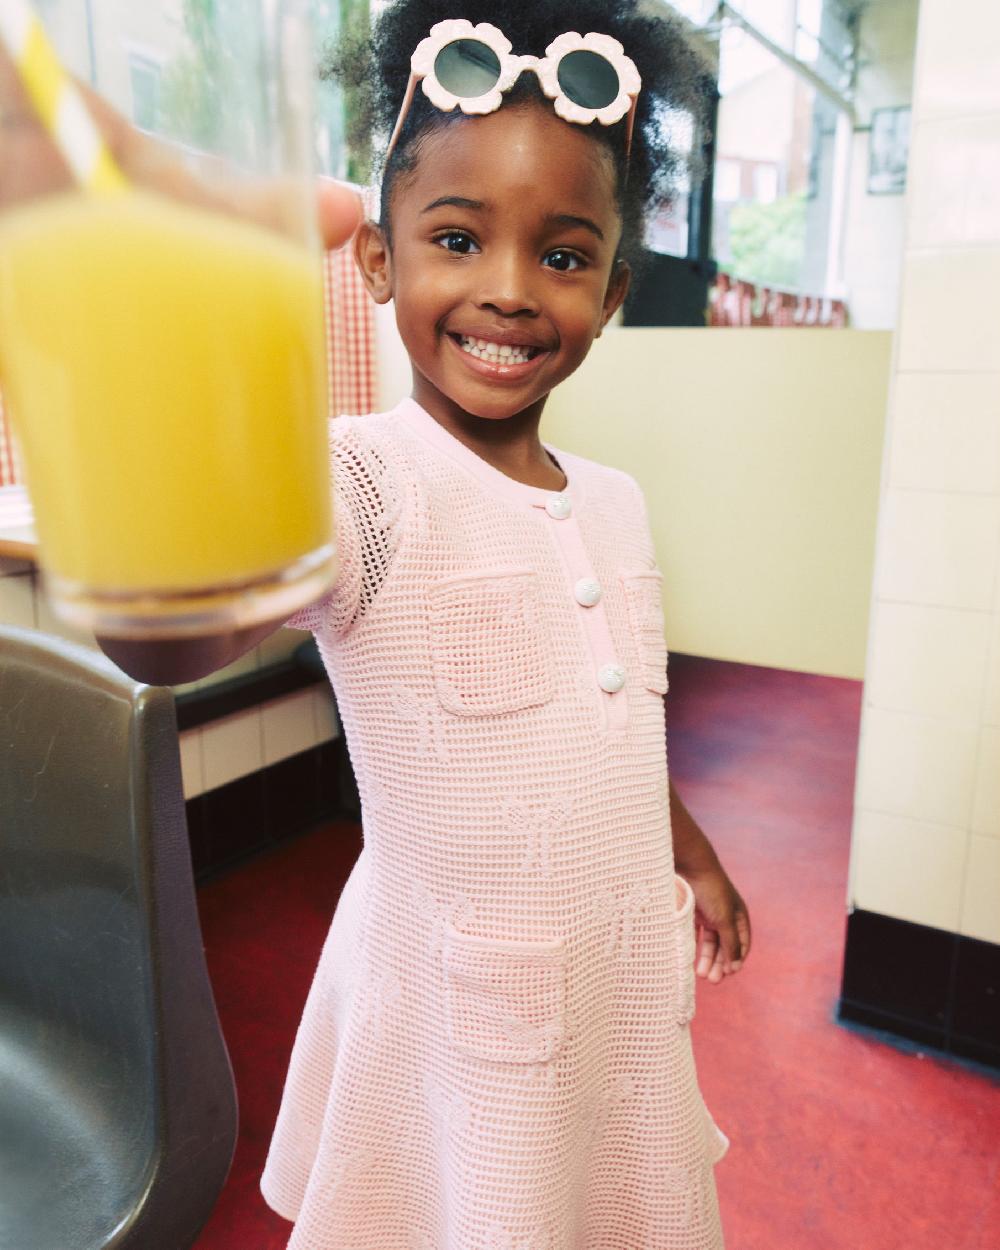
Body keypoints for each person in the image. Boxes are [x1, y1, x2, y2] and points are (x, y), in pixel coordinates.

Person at [100, 1, 752, 1245]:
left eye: (562, 257)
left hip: (612, 1006)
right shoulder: (360, 483)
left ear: (612, 290)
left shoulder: (614, 503)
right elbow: (162, 639)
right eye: (457, 237)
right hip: (470, 1033)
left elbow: (615, 721)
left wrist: (693, 851)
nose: (507, 292)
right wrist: (174, 346)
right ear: (379, 258)